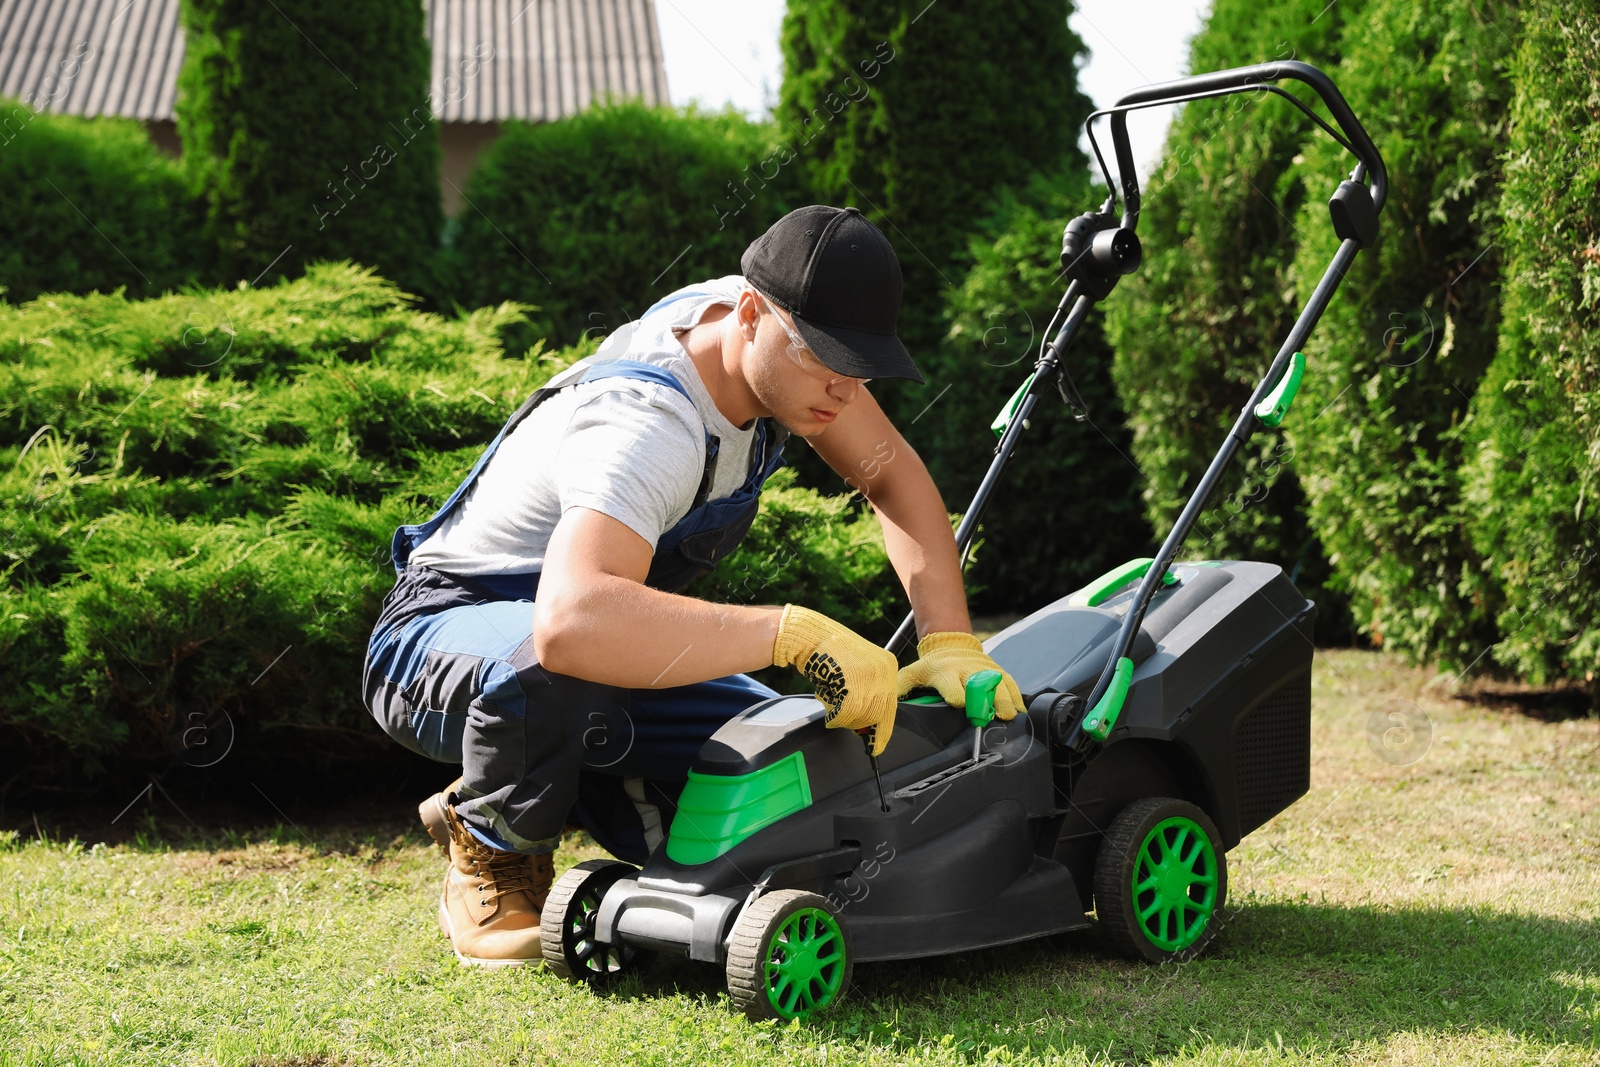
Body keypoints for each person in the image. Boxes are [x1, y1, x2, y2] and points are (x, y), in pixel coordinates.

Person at [362, 204, 1025, 967]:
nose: (844, 392)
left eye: (859, 369)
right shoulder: (650, 423)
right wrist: (791, 632)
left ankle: (563, 787)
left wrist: (949, 640)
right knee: (560, 664)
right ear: (748, 313)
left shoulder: (780, 355)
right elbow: (573, 620)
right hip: (446, 633)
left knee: (775, 755)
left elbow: (894, 477)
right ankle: (492, 843)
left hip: (589, 638)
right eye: (825, 359)